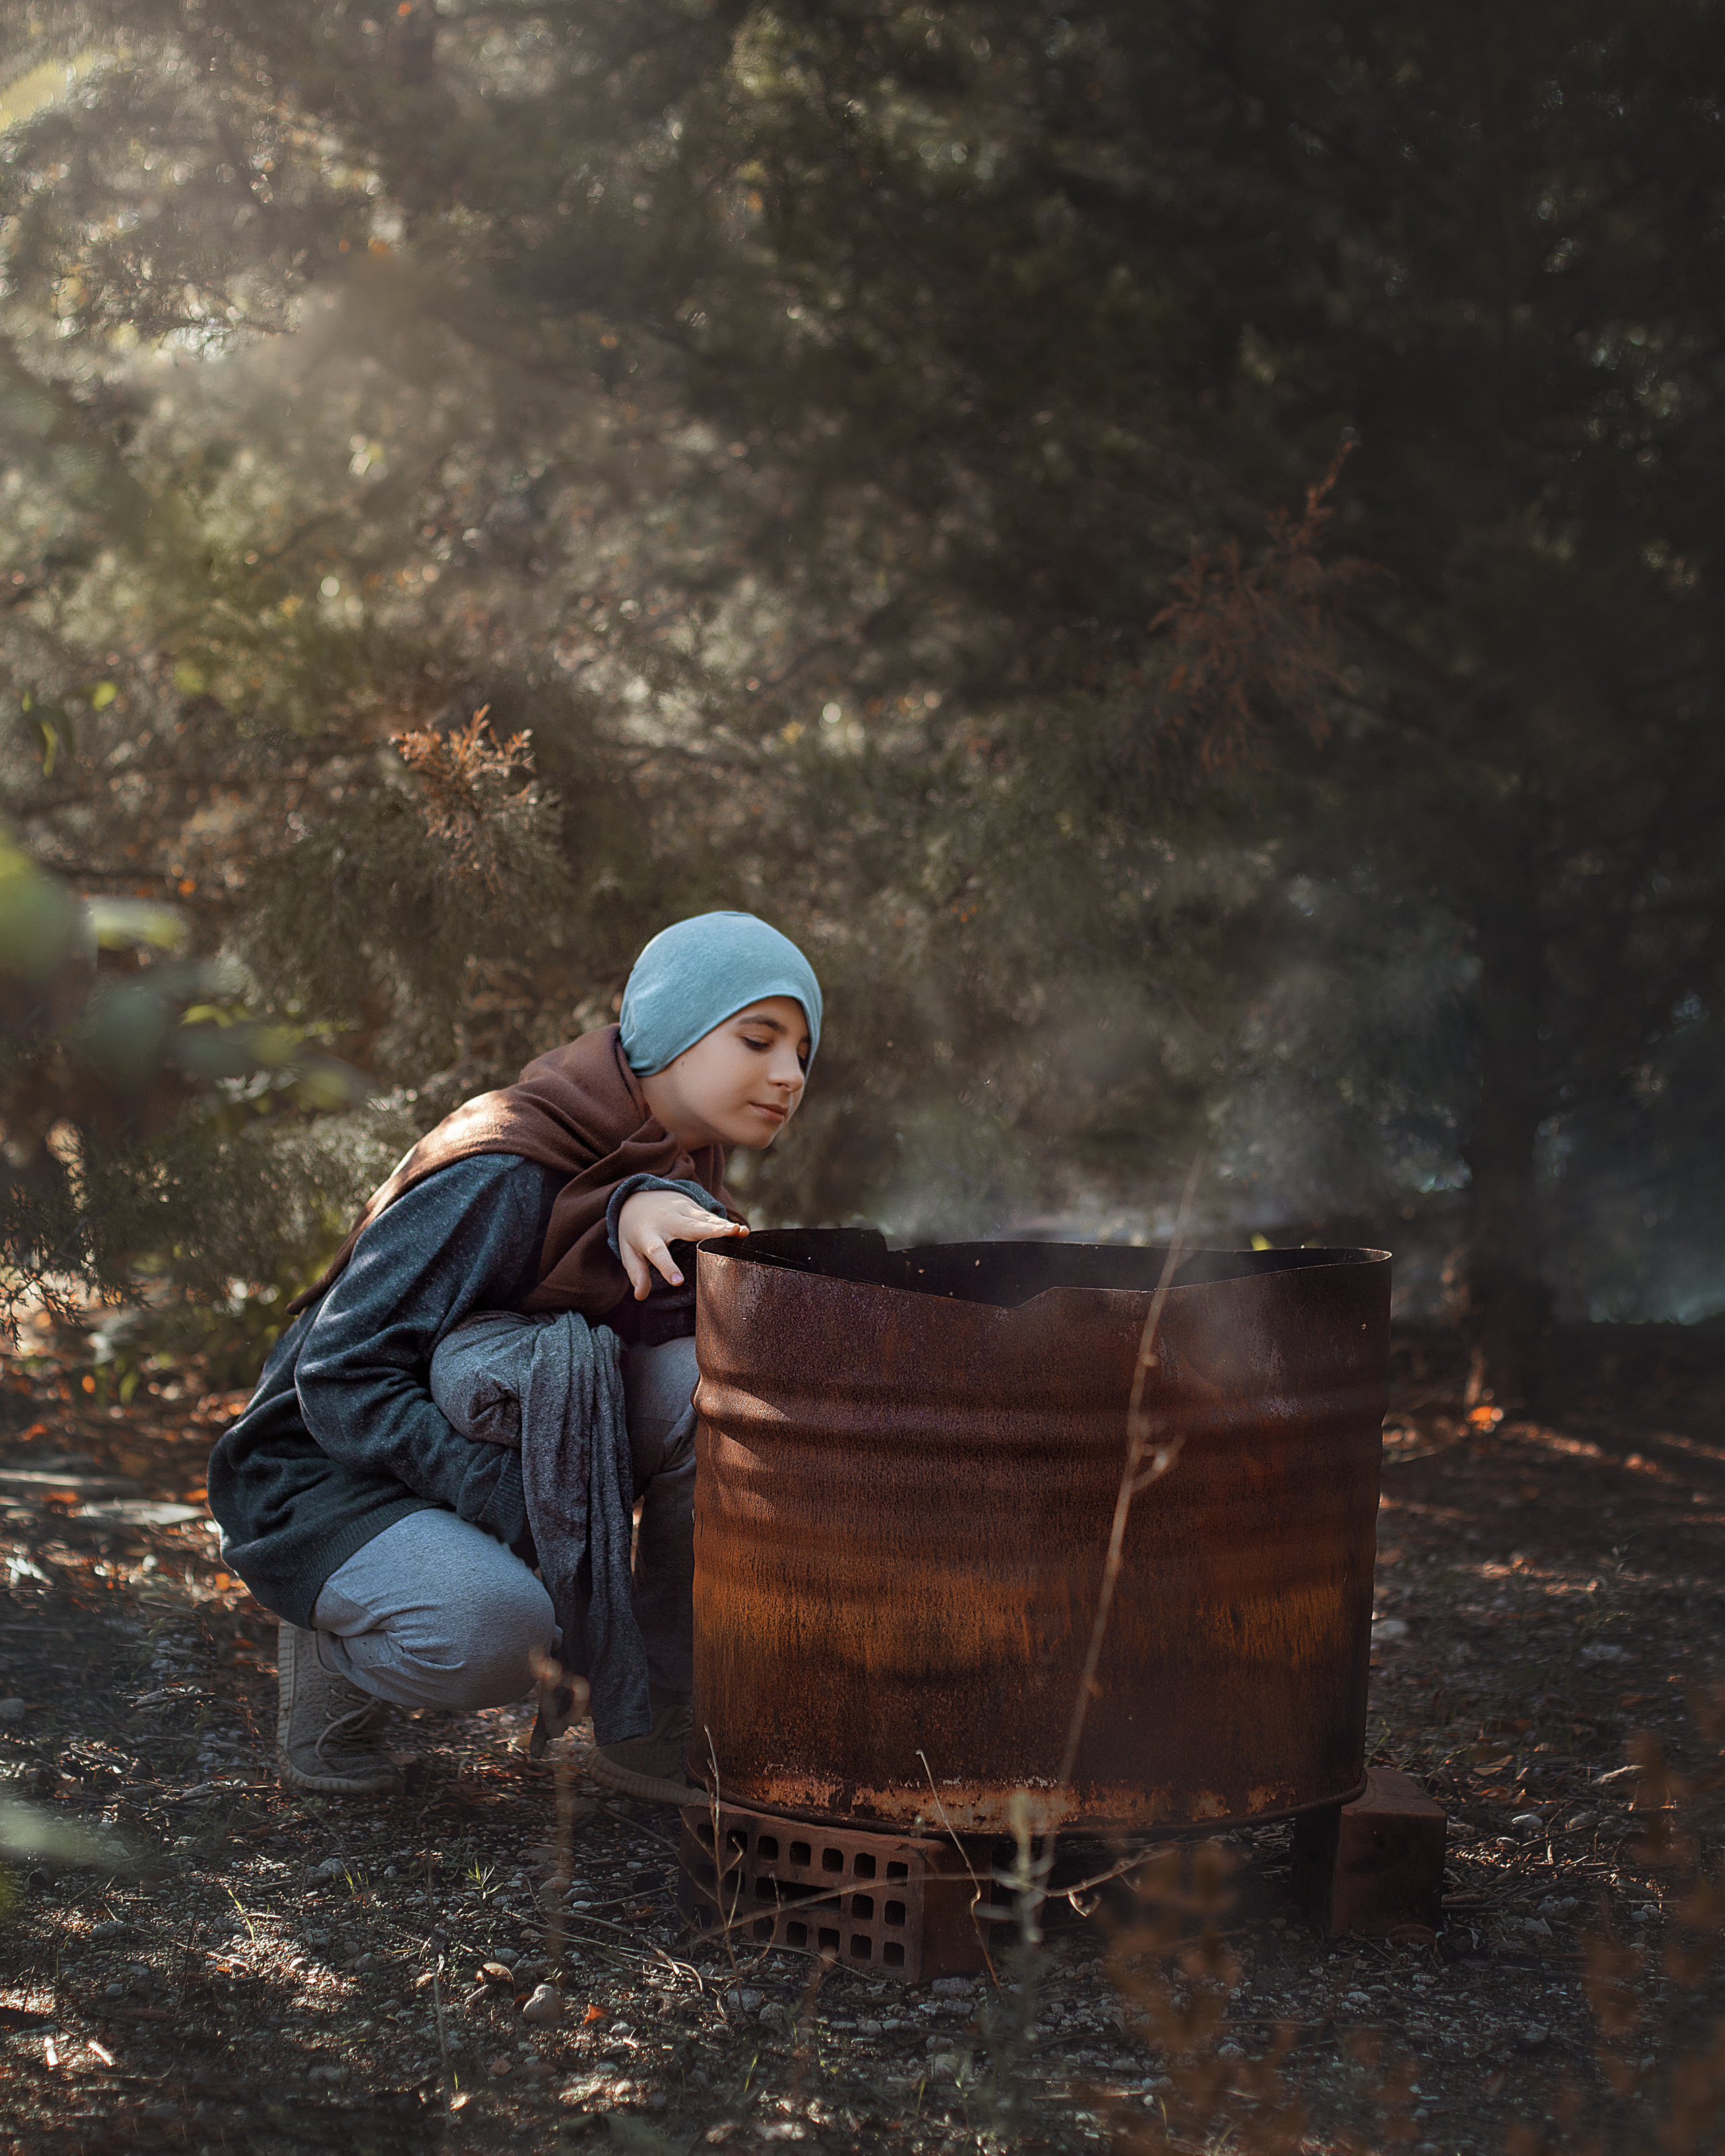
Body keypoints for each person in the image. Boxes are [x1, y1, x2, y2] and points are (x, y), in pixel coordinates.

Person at [207, 911, 820, 1802]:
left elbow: (647, 1346)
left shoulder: (660, 1168)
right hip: (332, 1467)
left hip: (479, 1423)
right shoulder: (503, 1168)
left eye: (804, 1052)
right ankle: (331, 1648)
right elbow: (338, 1374)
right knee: (496, 1632)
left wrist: (635, 1211)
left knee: (717, 1392)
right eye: (758, 1039)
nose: (789, 1075)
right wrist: (509, 1491)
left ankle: (654, 1714)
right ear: (670, 1035)